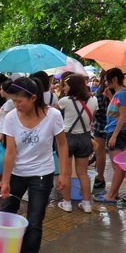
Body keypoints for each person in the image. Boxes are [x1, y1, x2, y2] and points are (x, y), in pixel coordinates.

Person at [0, 77, 69, 253]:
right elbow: (10, 151)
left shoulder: (53, 115)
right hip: (17, 173)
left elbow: (62, 145)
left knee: (35, 218)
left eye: (20, 101)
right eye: (13, 101)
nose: (16, 105)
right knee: (6, 212)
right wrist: (5, 180)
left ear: (33, 98)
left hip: (42, 173)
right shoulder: (11, 117)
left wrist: (64, 173)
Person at [56, 75, 98, 213]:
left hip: (67, 138)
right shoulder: (93, 100)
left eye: (66, 85)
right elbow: (91, 118)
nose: (64, 88)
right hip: (85, 138)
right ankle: (86, 204)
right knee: (83, 173)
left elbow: (54, 111)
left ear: (73, 86)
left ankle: (67, 203)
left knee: (66, 173)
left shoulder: (65, 101)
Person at [94, 68, 126, 203]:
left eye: (108, 80)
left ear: (114, 79)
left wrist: (114, 136)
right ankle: (114, 192)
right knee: (117, 166)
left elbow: (123, 116)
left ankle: (111, 195)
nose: (106, 83)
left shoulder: (122, 94)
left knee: (117, 166)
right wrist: (110, 97)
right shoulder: (118, 94)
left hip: (116, 133)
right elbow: (117, 112)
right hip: (114, 132)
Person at [92, 71, 110, 189]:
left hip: (100, 126)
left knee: (100, 153)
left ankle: (100, 178)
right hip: (114, 127)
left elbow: (95, 111)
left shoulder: (99, 93)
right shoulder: (120, 91)